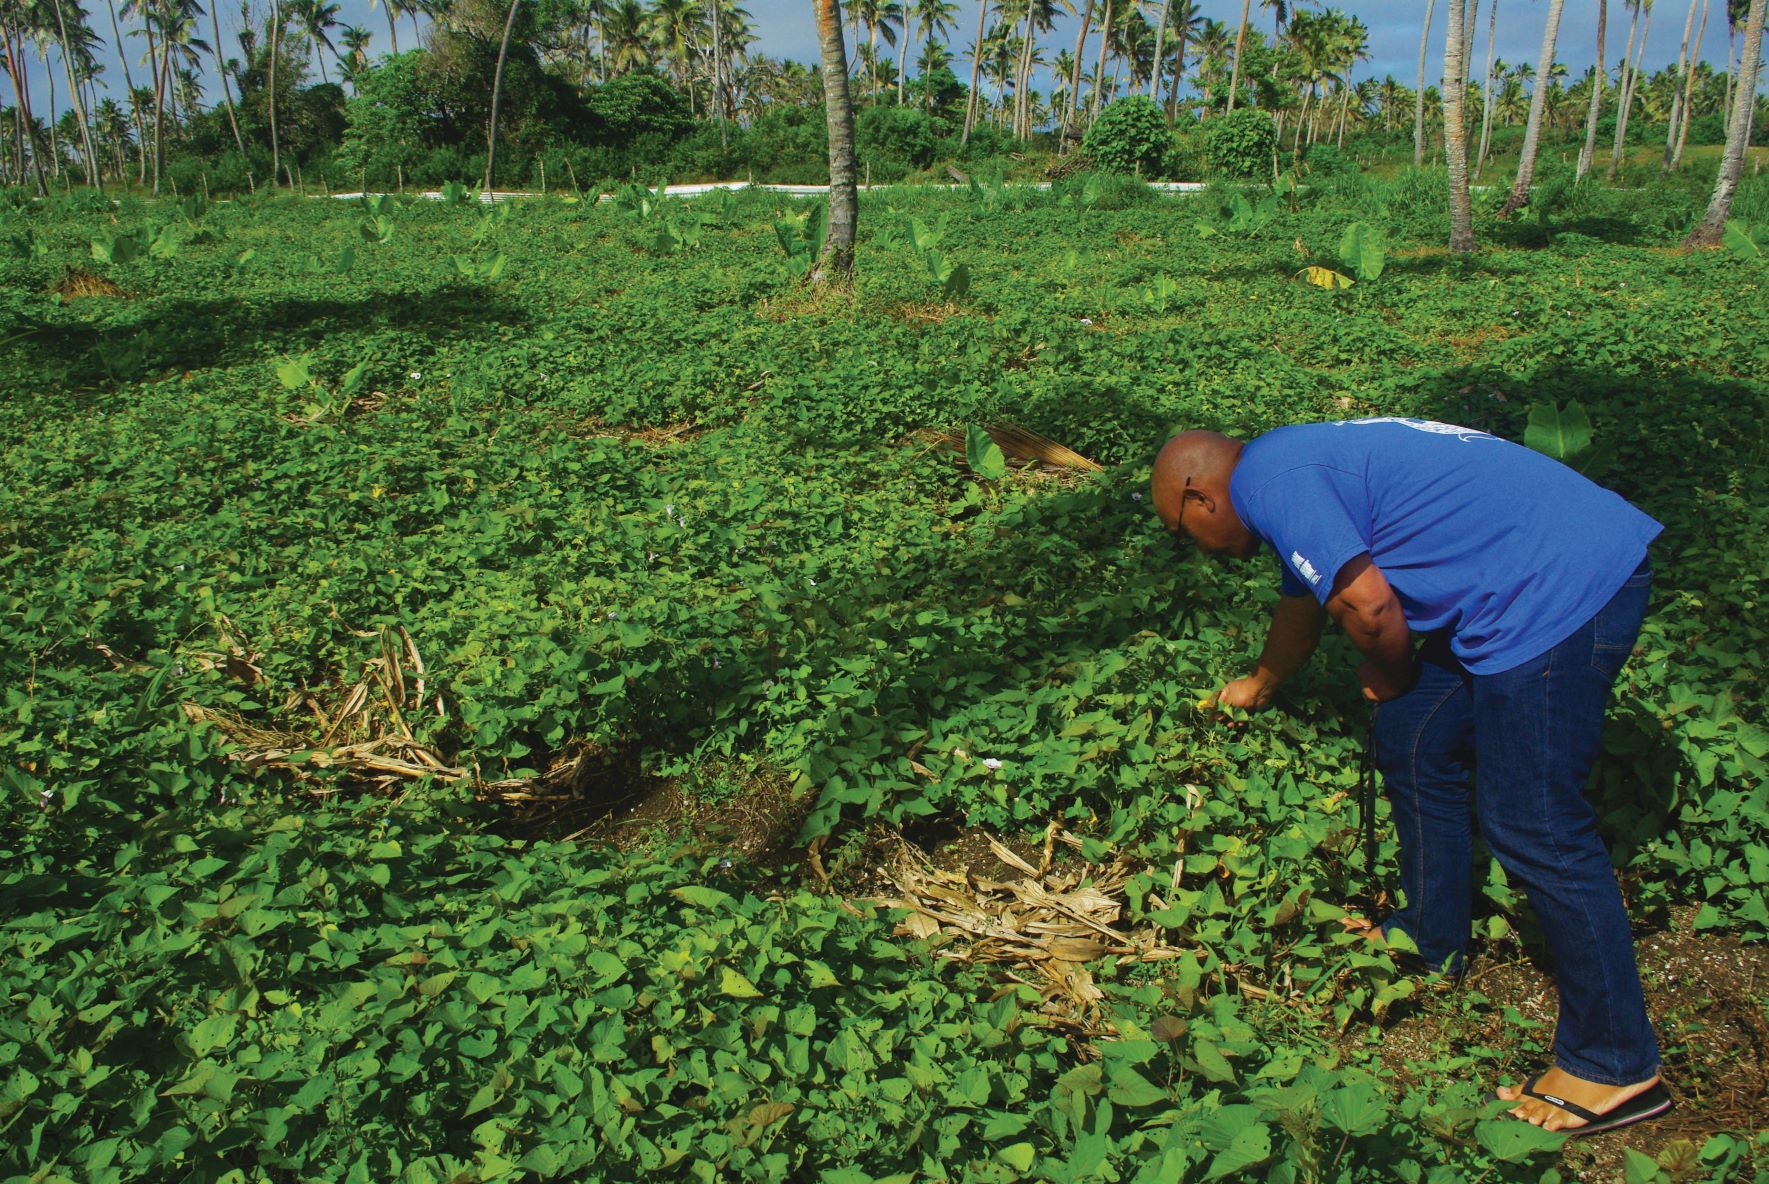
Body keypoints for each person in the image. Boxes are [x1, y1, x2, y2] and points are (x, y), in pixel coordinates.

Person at [1150, 418, 1673, 1137]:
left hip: (1557, 590)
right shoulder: (1282, 466)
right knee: (1413, 736)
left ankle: (1615, 1064)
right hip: (1536, 564)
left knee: (1533, 823)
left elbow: (1368, 607)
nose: (1195, 548)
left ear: (1197, 497)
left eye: (1179, 532)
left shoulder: (1269, 486)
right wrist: (1262, 681)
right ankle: (1431, 938)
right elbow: (1302, 604)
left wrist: (1388, 668)